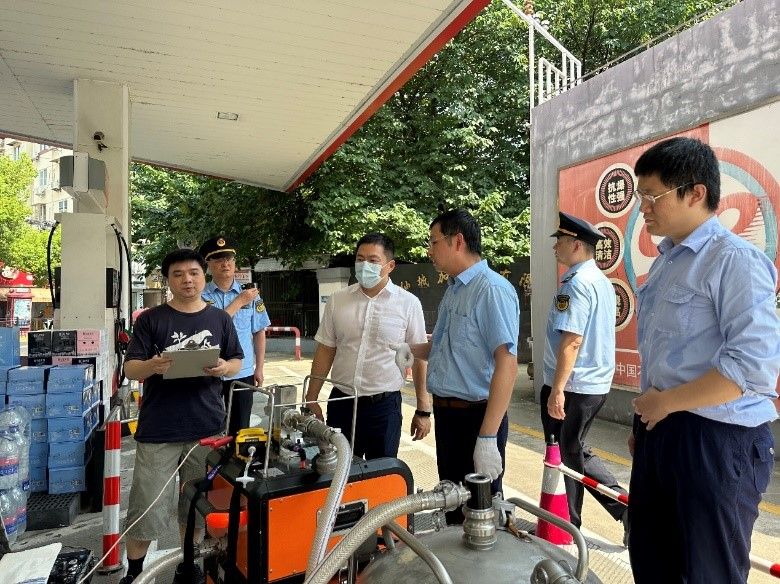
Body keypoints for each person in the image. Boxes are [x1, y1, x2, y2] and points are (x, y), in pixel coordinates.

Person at [628, 137, 779, 583]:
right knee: (651, 560)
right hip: (662, 429)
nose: (643, 208)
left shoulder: (735, 261)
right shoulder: (666, 262)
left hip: (716, 439)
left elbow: (751, 366)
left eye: (652, 196)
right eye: (640, 196)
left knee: (708, 573)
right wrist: (649, 423)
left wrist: (665, 403)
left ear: (695, 193)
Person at [120, 248, 243, 584]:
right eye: (178, 274)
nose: (187, 280)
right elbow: (131, 368)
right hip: (159, 429)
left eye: (193, 273)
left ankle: (189, 564)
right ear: (168, 280)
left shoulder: (219, 319)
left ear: (203, 276)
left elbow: (236, 360)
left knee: (196, 504)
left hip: (206, 428)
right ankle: (134, 572)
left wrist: (224, 367)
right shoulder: (151, 319)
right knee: (147, 505)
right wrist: (152, 366)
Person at [397, 209, 519, 524]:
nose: (429, 250)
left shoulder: (491, 290)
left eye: (434, 241)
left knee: (480, 517)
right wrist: (411, 351)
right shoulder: (454, 289)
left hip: (476, 418)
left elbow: (507, 363)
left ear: (458, 242)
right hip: (449, 417)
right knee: (452, 504)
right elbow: (443, 348)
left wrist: (488, 438)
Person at [541, 211, 629, 542]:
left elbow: (572, 340)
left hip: (574, 385)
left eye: (560, 241)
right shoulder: (599, 281)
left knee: (565, 454)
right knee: (572, 448)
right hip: (591, 384)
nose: (555, 247)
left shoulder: (576, 284)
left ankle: (569, 525)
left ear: (576, 245)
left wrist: (557, 390)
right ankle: (620, 509)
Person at [304, 233, 430, 459]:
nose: (364, 266)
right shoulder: (338, 300)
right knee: (339, 469)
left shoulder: (408, 303)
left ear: (390, 266)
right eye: (360, 259)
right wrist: (311, 398)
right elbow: (326, 349)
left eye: (373, 260)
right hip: (341, 402)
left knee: (381, 471)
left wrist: (423, 409)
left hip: (383, 407)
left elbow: (418, 357)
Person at [199, 236, 271, 435]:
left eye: (229, 259)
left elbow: (259, 331)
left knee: (240, 430)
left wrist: (259, 368)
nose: (225, 264)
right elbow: (212, 328)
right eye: (218, 259)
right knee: (208, 428)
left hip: (242, 372)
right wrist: (239, 302)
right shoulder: (201, 296)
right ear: (208, 264)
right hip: (208, 371)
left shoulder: (251, 295)